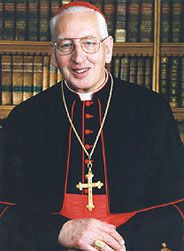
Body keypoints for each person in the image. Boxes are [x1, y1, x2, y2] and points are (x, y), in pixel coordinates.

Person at [0, 1, 184, 250]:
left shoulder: (151, 110)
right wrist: (60, 231)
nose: (78, 57)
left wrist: (118, 242)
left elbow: (178, 205)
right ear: (53, 55)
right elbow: (4, 209)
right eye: (66, 45)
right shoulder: (25, 118)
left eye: (89, 43)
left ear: (107, 49)